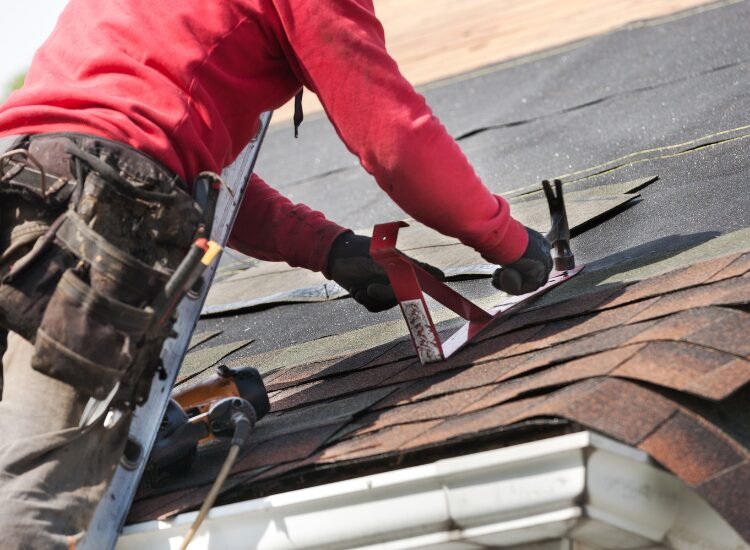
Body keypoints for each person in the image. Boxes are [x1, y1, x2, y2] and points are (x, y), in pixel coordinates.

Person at [0, 0, 552, 547]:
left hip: (21, 187)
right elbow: (394, 139)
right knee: (29, 504)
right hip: (94, 224)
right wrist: (505, 239)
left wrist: (330, 249)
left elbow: (189, 172)